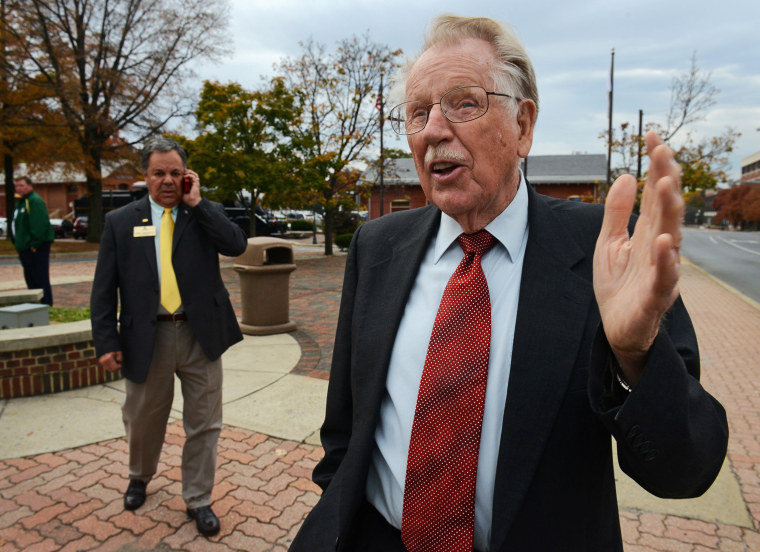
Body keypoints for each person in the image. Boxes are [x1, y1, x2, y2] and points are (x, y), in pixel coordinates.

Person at [290, 15, 729, 552]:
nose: (432, 130)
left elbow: (687, 471)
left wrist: (636, 355)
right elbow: (346, 428)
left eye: (463, 103)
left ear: (523, 126)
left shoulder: (606, 252)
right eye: (418, 112)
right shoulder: (377, 245)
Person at [90, 136, 247, 537]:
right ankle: (139, 476)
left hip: (200, 336)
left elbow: (236, 244)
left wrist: (198, 203)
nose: (167, 180)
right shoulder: (121, 222)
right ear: (146, 176)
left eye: (175, 173)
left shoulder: (201, 215)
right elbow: (103, 290)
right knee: (143, 419)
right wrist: (106, 342)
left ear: (187, 176)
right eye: (159, 172)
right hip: (147, 338)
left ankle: (198, 498)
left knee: (205, 424)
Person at [11, 176, 54, 305]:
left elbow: (40, 224)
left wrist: (34, 244)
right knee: (31, 279)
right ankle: (35, 305)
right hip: (24, 248)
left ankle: (45, 305)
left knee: (40, 278)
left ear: (30, 186)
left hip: (35, 248)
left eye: (22, 185)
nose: (19, 188)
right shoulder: (22, 202)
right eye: (17, 186)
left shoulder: (34, 201)